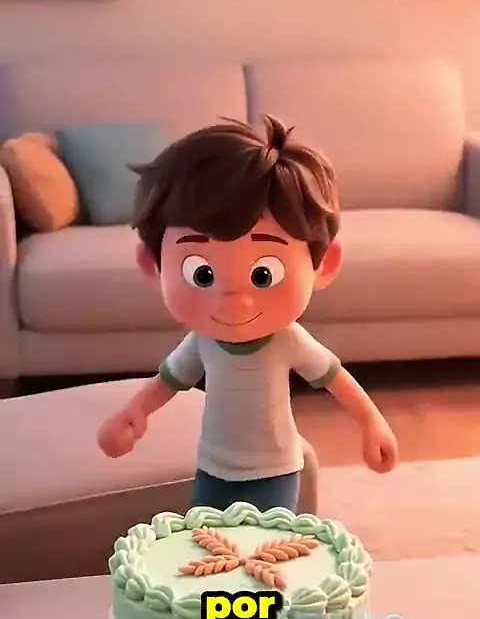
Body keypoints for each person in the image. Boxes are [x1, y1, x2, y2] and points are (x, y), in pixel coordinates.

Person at [97, 114, 398, 511]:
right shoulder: (202, 342)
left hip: (276, 471)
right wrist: (131, 414)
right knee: (204, 542)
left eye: (263, 274)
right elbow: (166, 383)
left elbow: (334, 379)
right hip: (213, 469)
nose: (235, 300)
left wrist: (372, 422)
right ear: (153, 267)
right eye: (202, 274)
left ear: (323, 264)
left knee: (268, 545)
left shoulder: (288, 340)